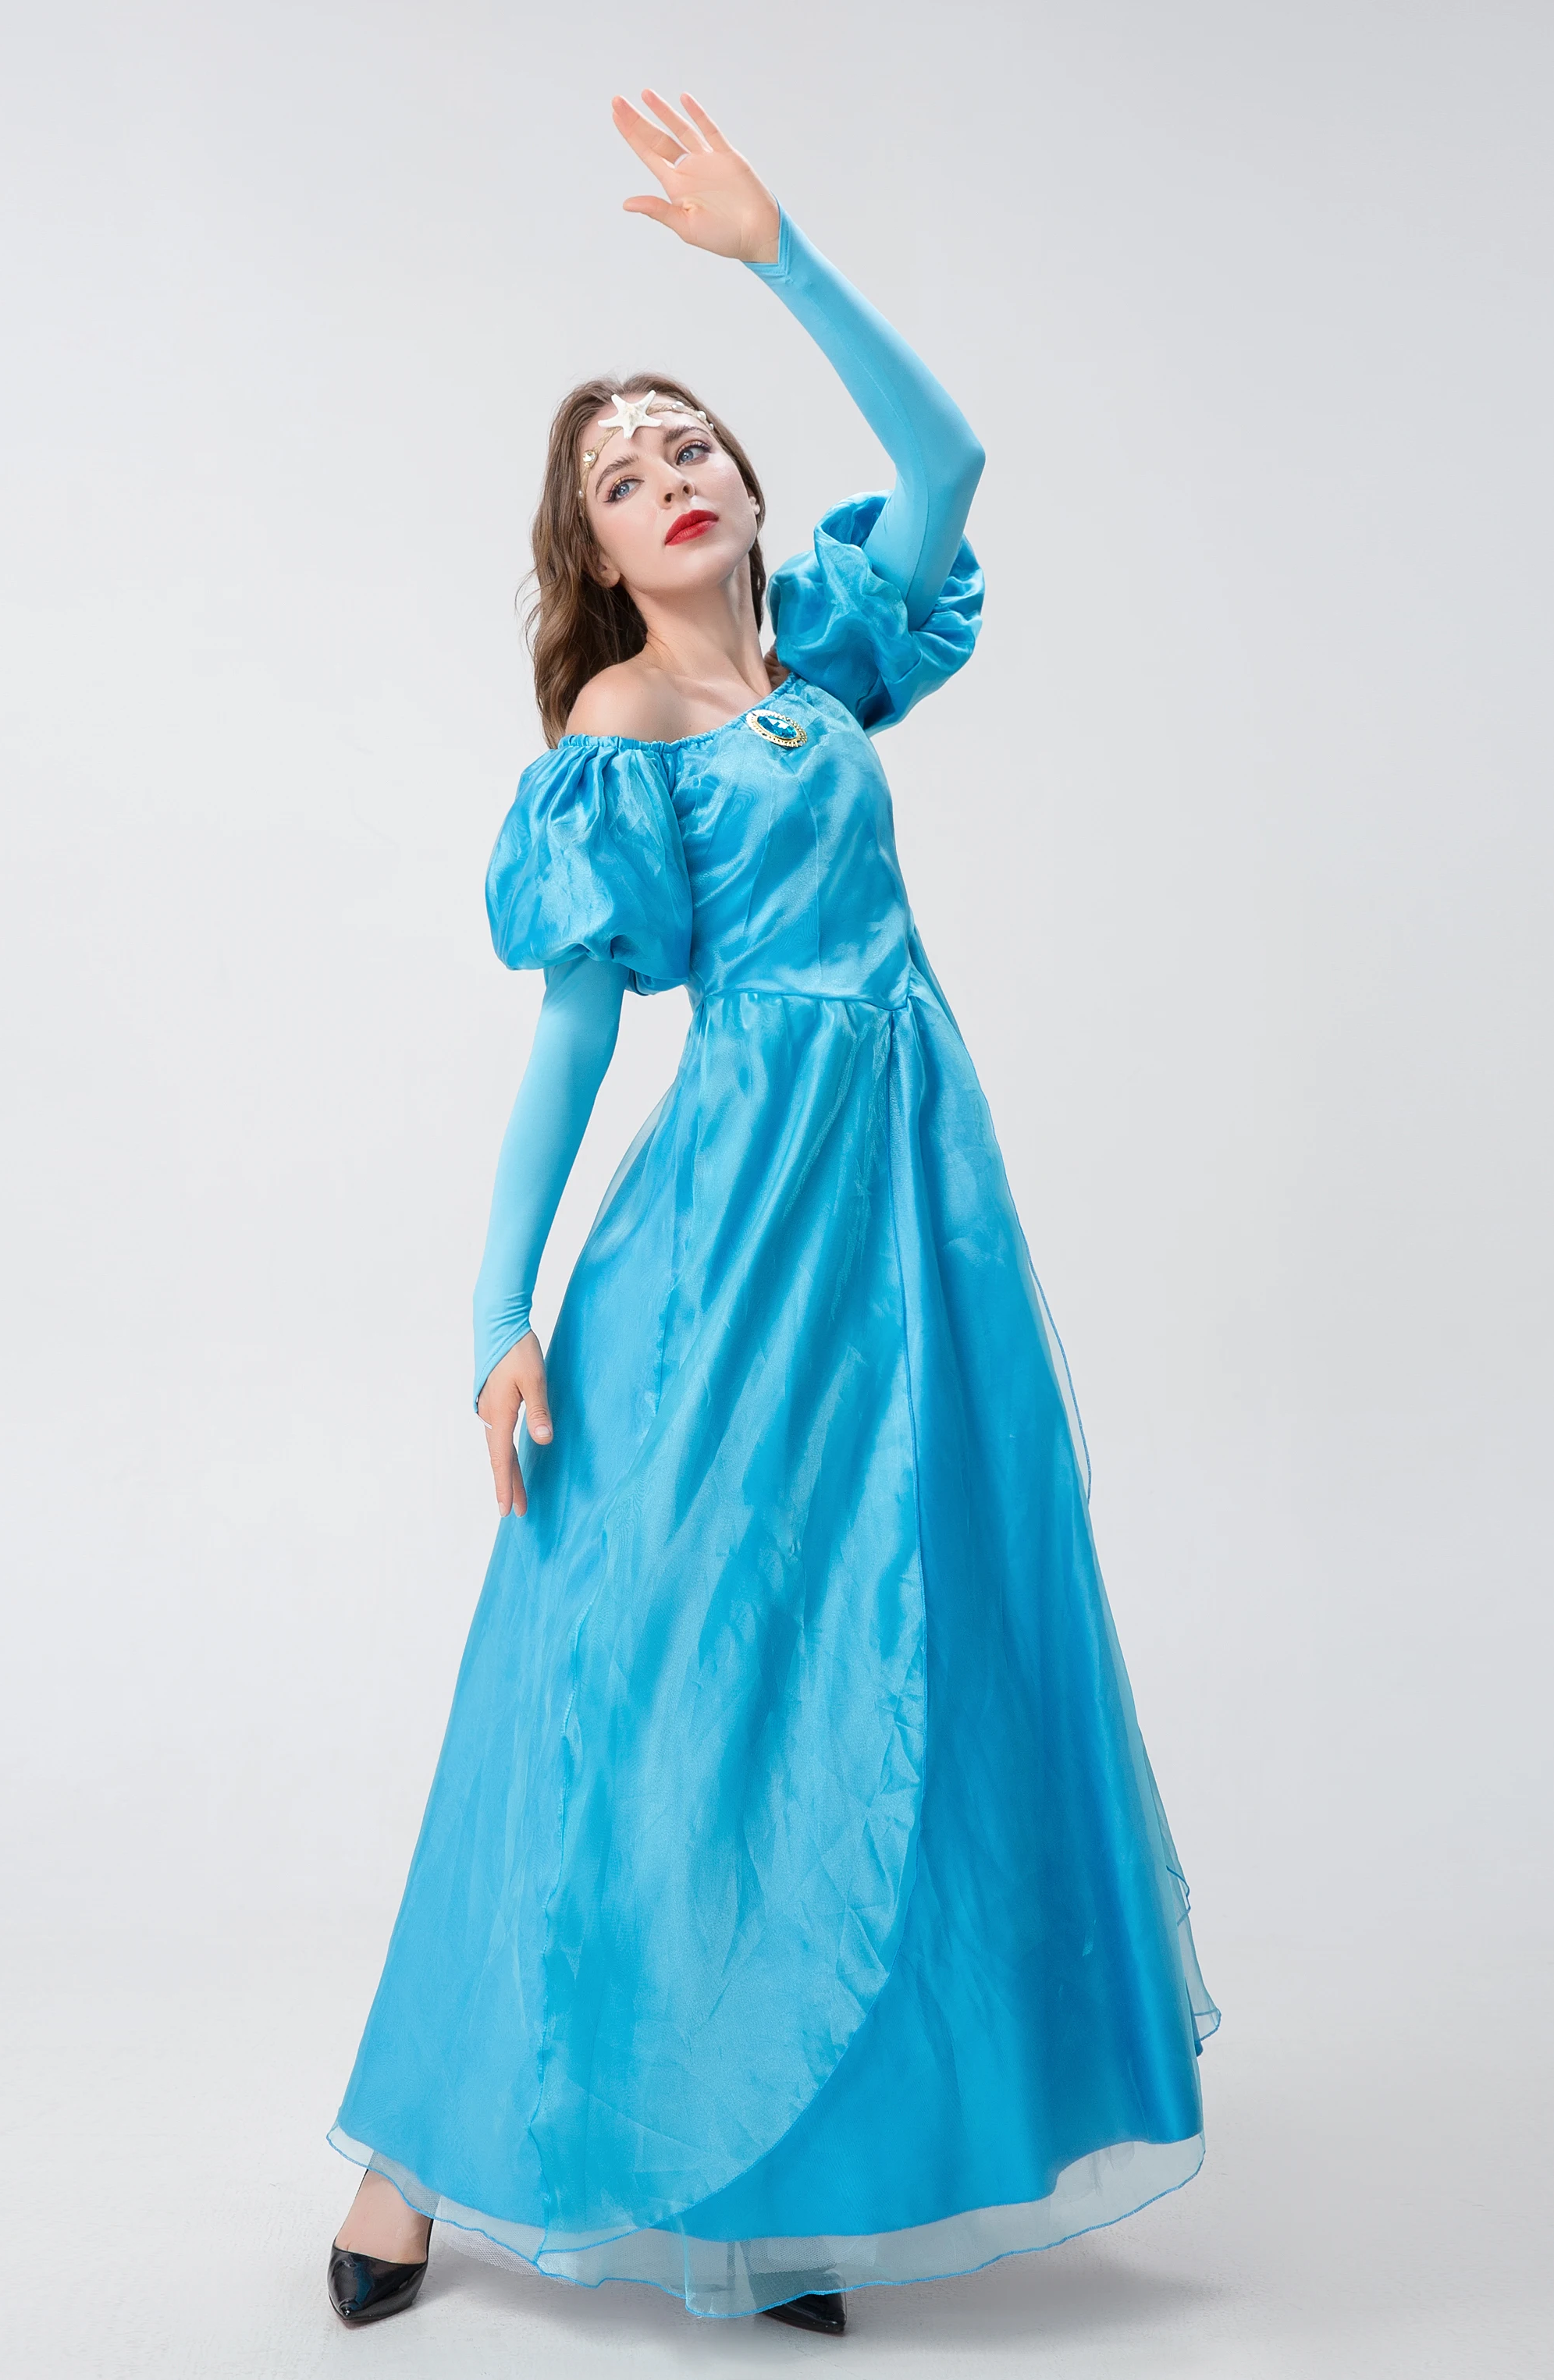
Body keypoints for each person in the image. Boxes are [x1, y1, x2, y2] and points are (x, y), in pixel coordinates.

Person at [325, 88, 1218, 2339]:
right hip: (727, 1242)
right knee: (631, 1661)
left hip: (908, 1222)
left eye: (687, 437)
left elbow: (953, 461)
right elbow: (571, 1047)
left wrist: (778, 256)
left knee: (871, 1654)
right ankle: (415, 2156)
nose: (669, 473)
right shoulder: (616, 735)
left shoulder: (823, 647)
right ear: (597, 551)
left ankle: (779, 2165)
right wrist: (499, 1317)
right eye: (620, 473)